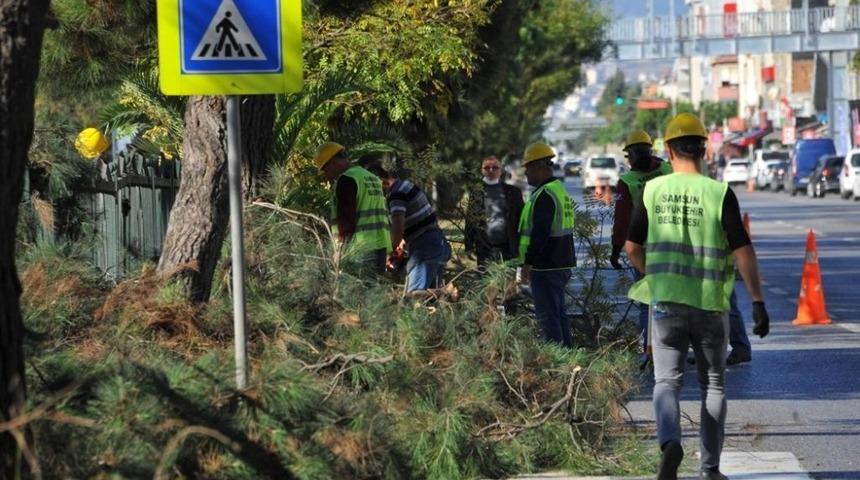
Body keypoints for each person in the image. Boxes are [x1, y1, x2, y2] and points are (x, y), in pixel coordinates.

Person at [624, 113, 770, 480]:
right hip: (710, 305)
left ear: (669, 150)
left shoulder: (652, 191)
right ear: (704, 149)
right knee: (714, 385)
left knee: (666, 382)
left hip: (666, 304)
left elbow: (632, 247)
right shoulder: (719, 193)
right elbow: (743, 250)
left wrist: (653, 275)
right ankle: (710, 468)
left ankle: (670, 442)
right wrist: (757, 302)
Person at [611, 129, 673, 362]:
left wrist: (616, 249)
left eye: (629, 156)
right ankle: (677, 346)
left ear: (632, 155)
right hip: (675, 244)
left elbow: (622, 221)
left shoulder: (627, 182)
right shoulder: (668, 169)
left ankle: (651, 349)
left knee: (648, 300)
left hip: (645, 250)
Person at [518, 143, 576, 347]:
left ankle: (556, 359)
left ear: (539, 166)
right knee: (558, 315)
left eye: (528, 168)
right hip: (559, 262)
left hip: (546, 266)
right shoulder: (557, 190)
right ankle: (568, 357)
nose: (526, 173)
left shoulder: (545, 195)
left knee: (549, 318)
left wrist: (528, 263)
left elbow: (539, 234)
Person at [366, 163, 451, 292]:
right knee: (430, 295)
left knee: (413, 296)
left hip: (425, 247)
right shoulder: (405, 185)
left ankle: (445, 294)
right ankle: (445, 297)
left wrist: (388, 253)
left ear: (381, 181)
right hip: (436, 241)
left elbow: (398, 231)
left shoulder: (396, 195)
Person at [313, 142, 391, 276]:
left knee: (356, 288)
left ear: (333, 162)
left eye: (326, 170)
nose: (327, 175)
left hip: (359, 250)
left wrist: (340, 251)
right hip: (380, 246)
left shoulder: (347, 180)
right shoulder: (371, 178)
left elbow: (346, 220)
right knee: (373, 287)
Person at [465, 155, 525, 266]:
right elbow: (470, 220)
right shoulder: (476, 193)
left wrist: (523, 245)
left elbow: (521, 219)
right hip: (484, 248)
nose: (491, 170)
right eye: (487, 168)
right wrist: (468, 246)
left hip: (509, 247)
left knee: (509, 276)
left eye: (495, 167)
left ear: (501, 171)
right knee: (486, 276)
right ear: (482, 171)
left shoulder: (514, 192)